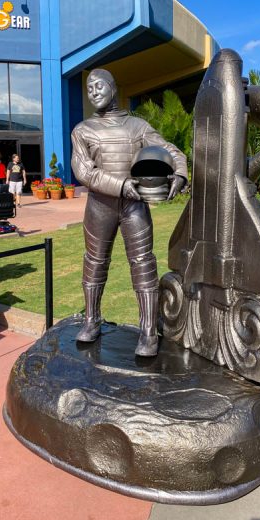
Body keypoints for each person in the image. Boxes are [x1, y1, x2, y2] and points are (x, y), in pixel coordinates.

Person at [71, 68, 188, 357]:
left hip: (135, 206)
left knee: (143, 263)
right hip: (100, 206)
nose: (94, 92)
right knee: (94, 262)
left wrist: (180, 173)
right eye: (89, 88)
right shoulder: (82, 130)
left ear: (113, 88)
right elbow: (84, 171)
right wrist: (122, 185)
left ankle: (148, 331)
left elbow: (170, 150)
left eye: (99, 86)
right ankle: (91, 320)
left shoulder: (137, 126)